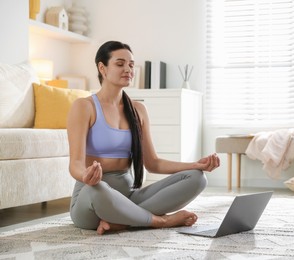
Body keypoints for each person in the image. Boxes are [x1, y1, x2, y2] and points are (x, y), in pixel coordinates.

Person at [67, 41, 220, 235]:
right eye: (120, 64)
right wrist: (85, 176)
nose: (128, 69)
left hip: (129, 197)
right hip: (92, 199)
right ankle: (160, 221)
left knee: (198, 179)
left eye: (131, 65)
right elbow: (75, 164)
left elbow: (153, 163)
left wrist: (195, 165)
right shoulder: (84, 107)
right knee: (98, 189)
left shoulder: (138, 110)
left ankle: (123, 220)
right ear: (102, 68)